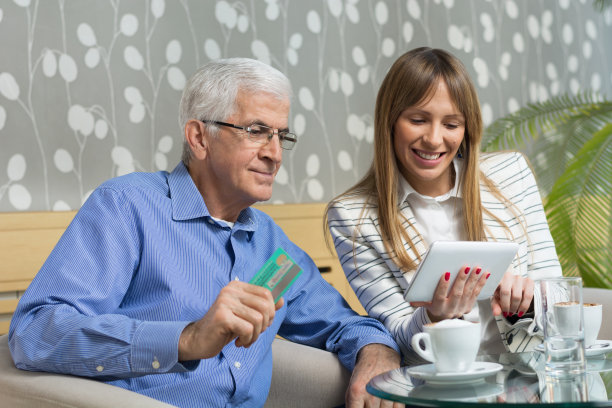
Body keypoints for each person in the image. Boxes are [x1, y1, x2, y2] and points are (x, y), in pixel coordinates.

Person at [9, 58, 401, 408]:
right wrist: (186, 338)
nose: (275, 153)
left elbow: (342, 322)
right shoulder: (126, 207)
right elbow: (35, 331)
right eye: (257, 131)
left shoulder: (269, 243)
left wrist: (377, 349)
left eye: (282, 135)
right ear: (199, 138)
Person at [326, 47, 562, 363]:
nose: (434, 139)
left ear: (467, 129)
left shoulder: (511, 175)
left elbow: (562, 302)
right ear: (391, 121)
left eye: (451, 124)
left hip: (527, 380)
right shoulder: (353, 217)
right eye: (419, 120)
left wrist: (531, 301)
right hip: (441, 388)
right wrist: (433, 317)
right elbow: (399, 342)